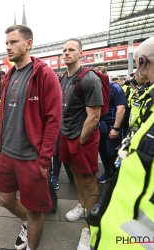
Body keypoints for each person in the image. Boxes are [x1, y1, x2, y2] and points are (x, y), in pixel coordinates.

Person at [0, 25, 62, 250]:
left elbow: (54, 119)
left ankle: (32, 246)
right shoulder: (9, 74)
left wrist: (44, 159)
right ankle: (24, 222)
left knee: (35, 211)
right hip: (7, 152)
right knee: (4, 200)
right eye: (6, 43)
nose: (8, 47)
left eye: (13, 42)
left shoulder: (43, 73)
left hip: (32, 156)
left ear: (28, 44)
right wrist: (1, 148)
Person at [90, 37, 154, 250]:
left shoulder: (120, 90)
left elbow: (121, 109)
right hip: (129, 226)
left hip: (137, 235)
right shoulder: (149, 95)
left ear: (143, 61)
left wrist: (116, 128)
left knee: (109, 152)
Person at [59, 38, 103, 250]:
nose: (66, 53)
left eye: (71, 50)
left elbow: (94, 116)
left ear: (81, 54)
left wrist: (80, 141)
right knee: (75, 173)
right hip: (67, 136)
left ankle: (90, 228)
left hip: (82, 137)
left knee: (88, 180)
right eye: (64, 50)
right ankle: (82, 204)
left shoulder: (89, 78)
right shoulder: (63, 78)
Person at [96, 66, 127, 183]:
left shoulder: (115, 88)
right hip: (100, 125)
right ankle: (108, 172)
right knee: (102, 150)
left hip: (113, 125)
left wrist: (116, 128)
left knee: (112, 152)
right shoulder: (96, 89)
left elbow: (121, 109)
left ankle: (117, 175)